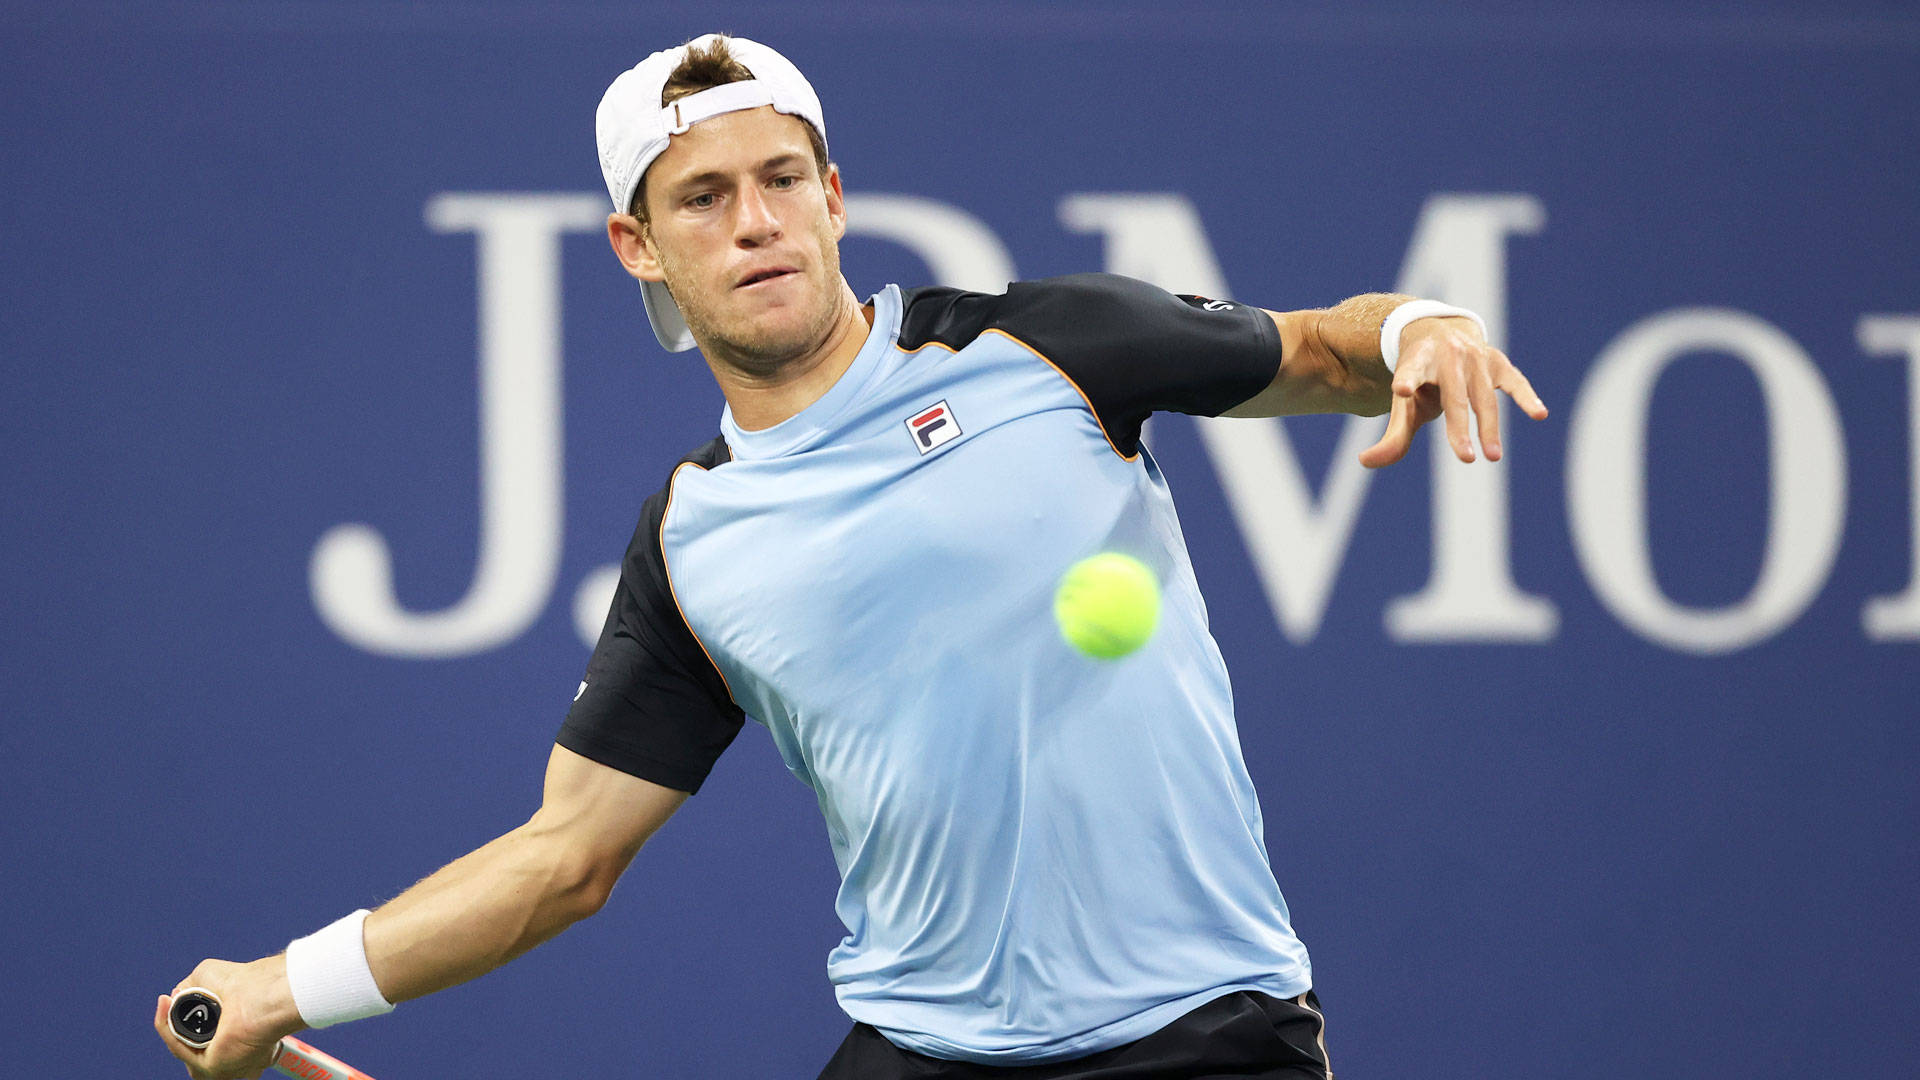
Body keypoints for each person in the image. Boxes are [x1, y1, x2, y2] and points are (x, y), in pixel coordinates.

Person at [155, 33, 1547, 1080]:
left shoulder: (1046, 346)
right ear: (638, 246)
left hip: (1207, 1036)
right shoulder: (691, 545)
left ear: (832, 197)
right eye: (702, 198)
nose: (753, 222)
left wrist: (1419, 324)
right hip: (920, 1048)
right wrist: (285, 987)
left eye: (779, 181)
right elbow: (563, 859)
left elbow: (1320, 348)